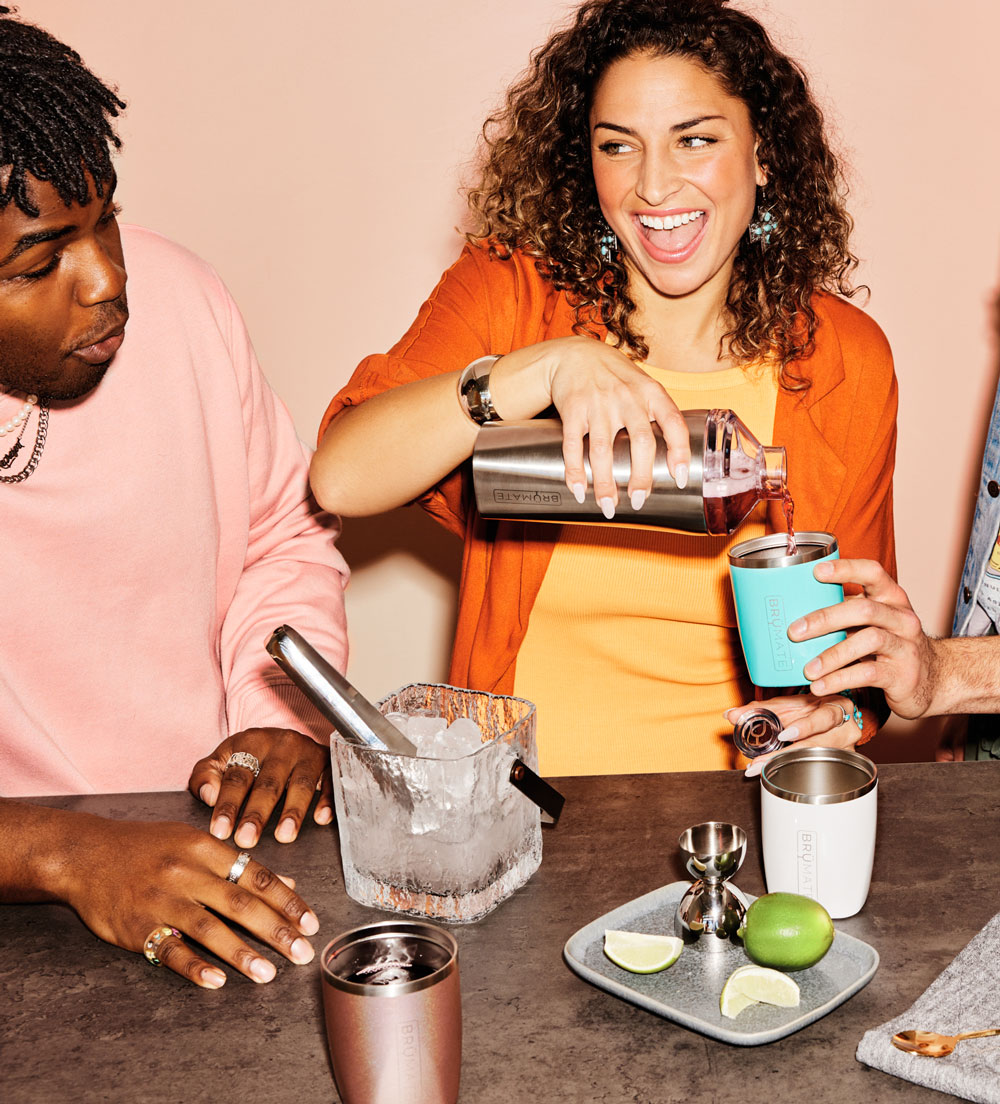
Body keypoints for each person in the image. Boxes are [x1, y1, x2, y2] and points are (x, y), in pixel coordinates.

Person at [310, 0, 897, 775]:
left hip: (740, 810)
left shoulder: (843, 359)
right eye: (618, 146)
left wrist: (840, 712)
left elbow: (863, 663)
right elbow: (341, 476)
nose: (653, 185)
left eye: (695, 139)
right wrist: (540, 369)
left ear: (764, 152)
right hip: (525, 807)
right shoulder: (511, 294)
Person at [0, 9, 349, 986]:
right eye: (40, 262)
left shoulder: (183, 299)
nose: (109, 279)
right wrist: (67, 854)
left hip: (217, 852)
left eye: (105, 218)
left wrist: (277, 715)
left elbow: (281, 537)